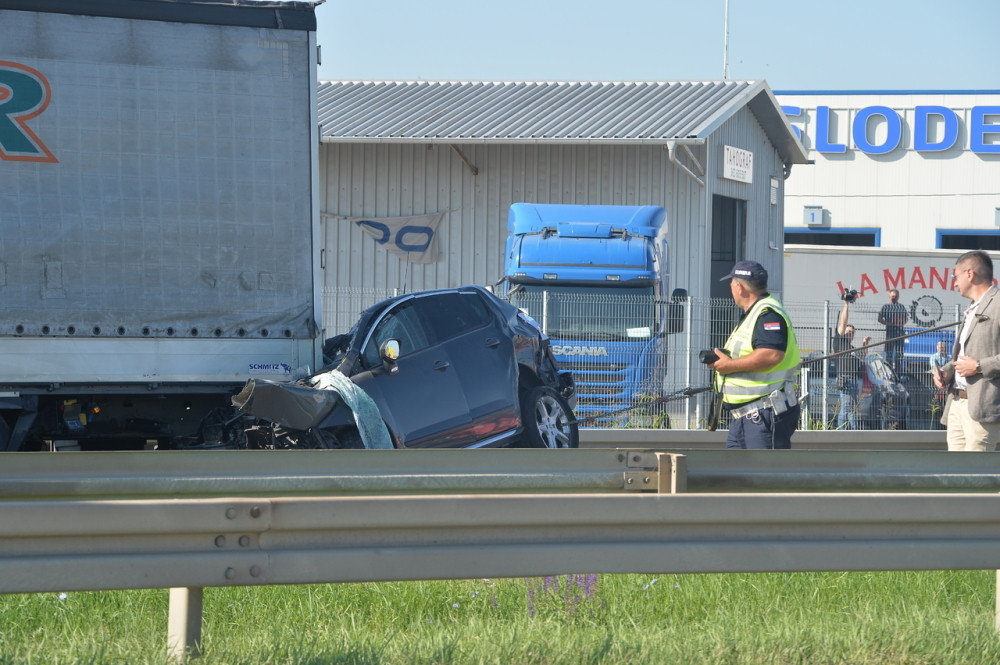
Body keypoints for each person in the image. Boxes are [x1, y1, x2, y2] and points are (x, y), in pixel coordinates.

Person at [708, 260, 801, 449]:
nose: (731, 288)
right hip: (747, 418)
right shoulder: (756, 313)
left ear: (740, 287)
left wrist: (729, 365)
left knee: (763, 477)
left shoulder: (767, 313)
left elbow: (771, 355)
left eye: (732, 284)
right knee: (738, 478)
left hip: (763, 416)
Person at [932, 250, 1000, 451]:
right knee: (955, 475)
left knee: (976, 478)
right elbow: (965, 354)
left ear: (969, 274)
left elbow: (975, 362)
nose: (953, 283)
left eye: (955, 276)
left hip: (982, 408)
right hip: (956, 403)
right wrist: (947, 371)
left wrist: (979, 366)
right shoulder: (971, 308)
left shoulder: (997, 303)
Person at [832, 298, 871, 430]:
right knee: (847, 408)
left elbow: (862, 355)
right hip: (845, 379)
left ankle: (849, 431)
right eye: (848, 332)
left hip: (853, 381)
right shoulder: (839, 342)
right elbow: (843, 322)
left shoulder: (852, 348)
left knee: (850, 408)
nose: (850, 334)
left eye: (852, 333)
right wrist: (846, 304)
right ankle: (847, 431)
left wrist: (865, 344)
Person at [878, 288, 908, 374]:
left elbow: (906, 318)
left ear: (898, 297)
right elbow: (879, 318)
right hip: (890, 332)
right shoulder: (886, 307)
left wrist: (901, 322)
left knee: (899, 353)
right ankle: (889, 371)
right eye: (893, 296)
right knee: (889, 353)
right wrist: (888, 323)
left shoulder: (901, 307)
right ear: (889, 296)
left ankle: (898, 372)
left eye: (896, 296)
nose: (894, 298)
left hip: (900, 333)